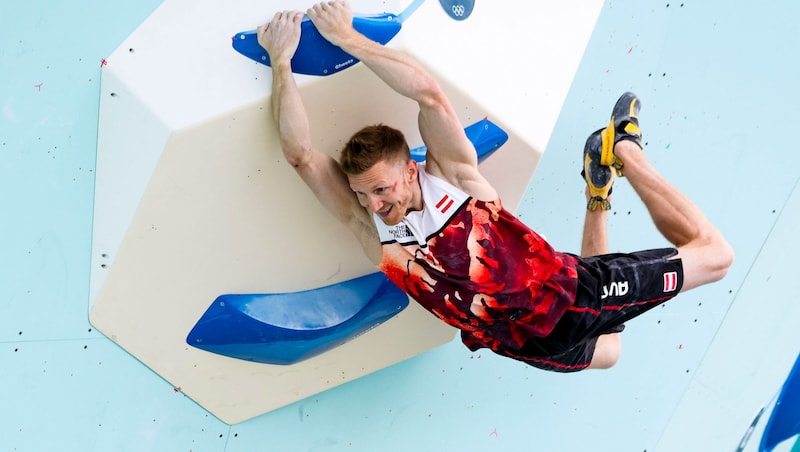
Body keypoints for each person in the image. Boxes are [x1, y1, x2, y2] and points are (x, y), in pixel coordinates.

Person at [257, 1, 734, 372]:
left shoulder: (453, 176)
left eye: (380, 190)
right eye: (362, 194)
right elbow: (301, 156)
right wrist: (281, 62)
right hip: (516, 343)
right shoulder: (370, 227)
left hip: (572, 299)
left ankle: (623, 146)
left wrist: (347, 36)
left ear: (408, 170)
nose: (372, 204)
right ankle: (597, 190)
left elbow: (427, 94)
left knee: (716, 257)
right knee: (609, 351)